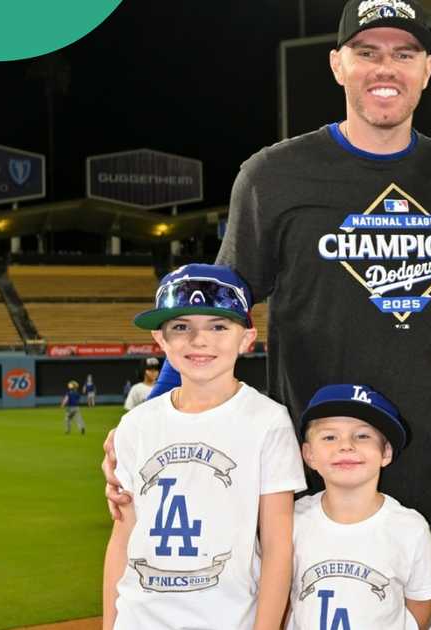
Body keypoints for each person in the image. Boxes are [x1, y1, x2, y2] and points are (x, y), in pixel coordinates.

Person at [102, 4, 431, 628]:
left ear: (427, 70)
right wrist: (157, 420)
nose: (383, 67)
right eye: (366, 52)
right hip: (314, 492)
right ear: (338, 64)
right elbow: (217, 310)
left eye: (403, 53)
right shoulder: (273, 175)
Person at [102, 264, 305, 630]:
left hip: (228, 619)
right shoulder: (136, 425)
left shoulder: (267, 421)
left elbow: (278, 545)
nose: (199, 340)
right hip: (140, 619)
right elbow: (122, 537)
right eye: (181, 327)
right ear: (160, 340)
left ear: (246, 338)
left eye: (218, 326)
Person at [289, 384, 431, 630]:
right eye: (329, 437)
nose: (346, 445)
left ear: (386, 452)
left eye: (362, 435)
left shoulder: (409, 527)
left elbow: (422, 599)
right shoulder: (291, 521)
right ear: (308, 455)